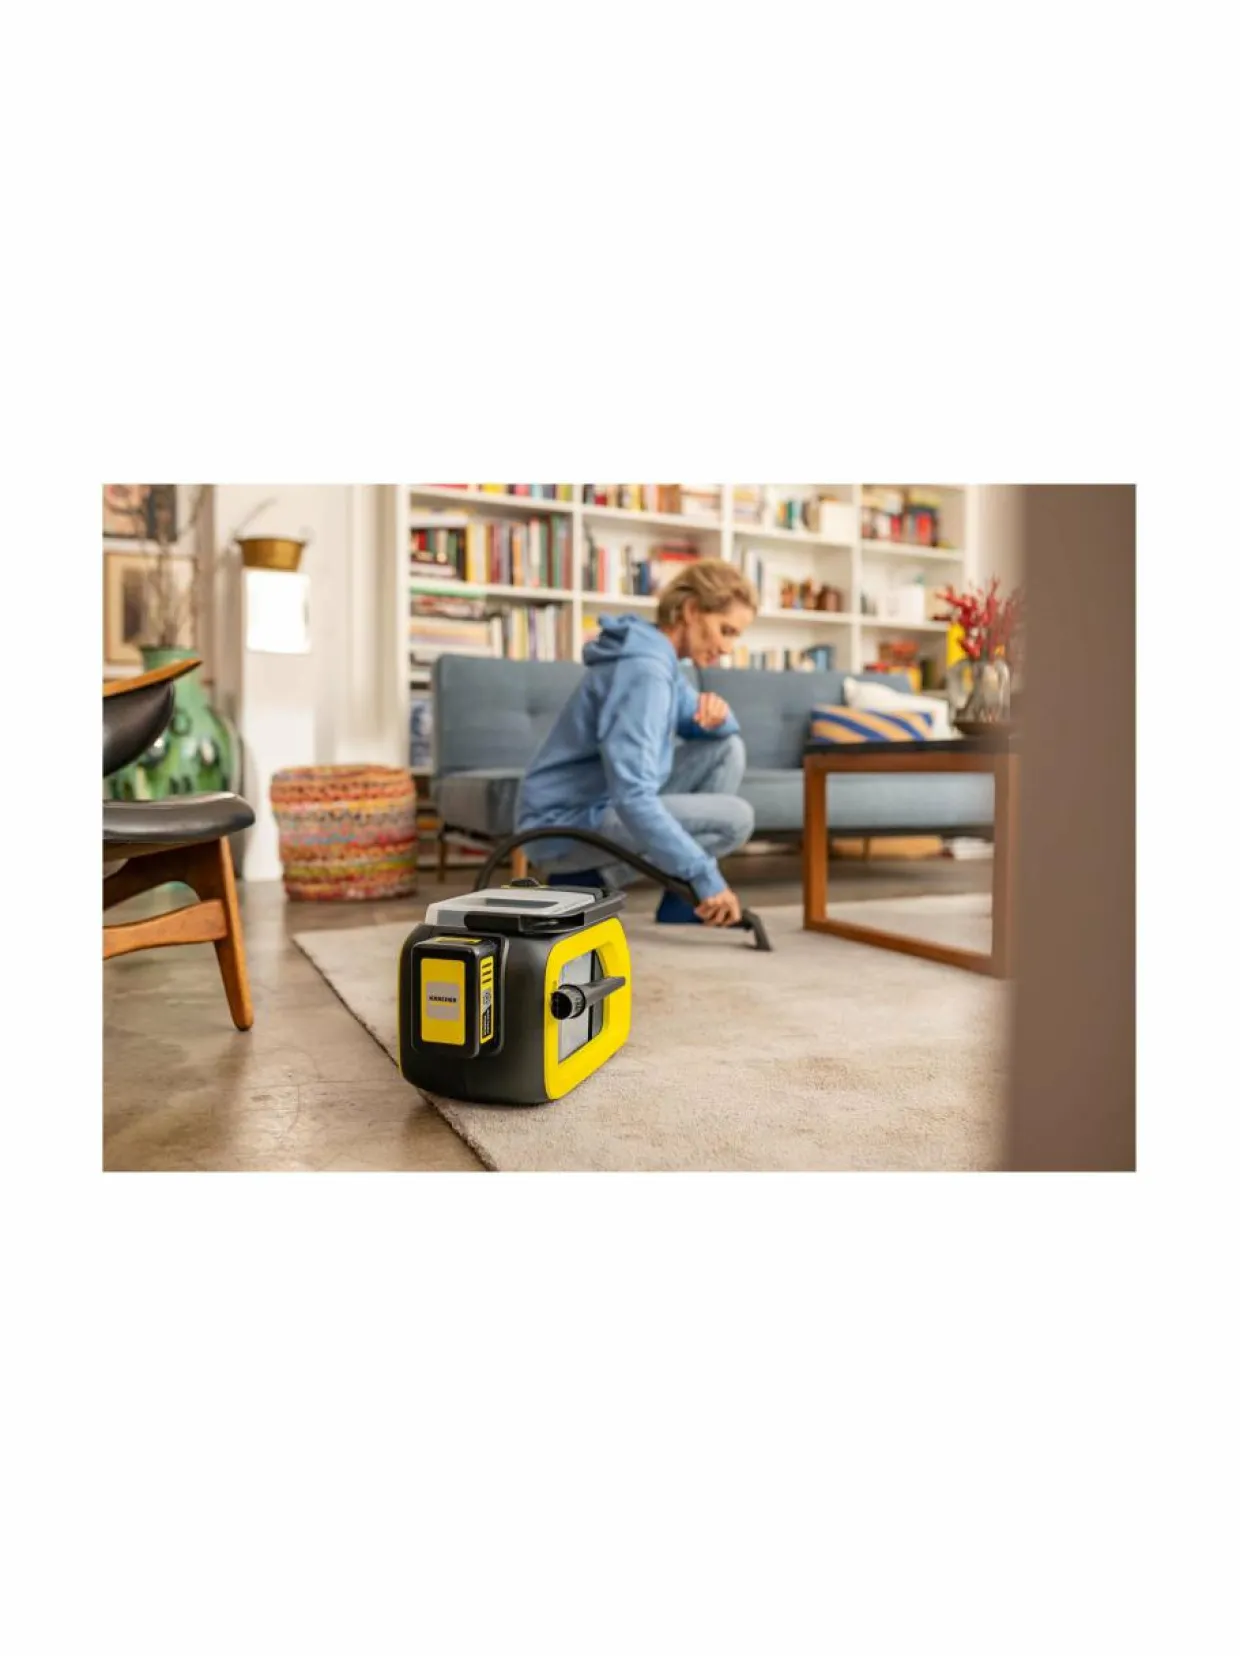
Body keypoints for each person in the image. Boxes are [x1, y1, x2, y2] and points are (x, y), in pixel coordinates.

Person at [515, 558, 758, 927]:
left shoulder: (661, 661)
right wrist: (706, 877)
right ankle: (585, 881)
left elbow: (722, 731)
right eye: (725, 630)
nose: (727, 647)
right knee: (736, 818)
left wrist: (720, 715)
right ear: (692, 610)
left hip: (598, 807)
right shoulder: (644, 672)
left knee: (726, 751)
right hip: (563, 825)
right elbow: (633, 797)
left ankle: (681, 900)